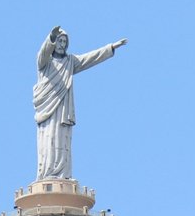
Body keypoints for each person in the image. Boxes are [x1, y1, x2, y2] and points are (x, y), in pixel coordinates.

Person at [33, 26, 127, 180]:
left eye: (65, 41)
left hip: (63, 109)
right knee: (49, 138)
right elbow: (42, 55)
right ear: (54, 44)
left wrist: (110, 48)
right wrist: (50, 37)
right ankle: (48, 173)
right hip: (47, 110)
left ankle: (63, 175)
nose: (62, 44)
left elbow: (90, 58)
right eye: (59, 41)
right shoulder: (45, 64)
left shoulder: (70, 62)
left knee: (63, 139)